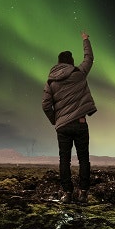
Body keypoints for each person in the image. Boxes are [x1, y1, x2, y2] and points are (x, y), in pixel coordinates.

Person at [42, 31, 97, 203]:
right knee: (84, 159)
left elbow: (45, 105)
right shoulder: (79, 73)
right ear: (71, 62)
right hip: (80, 124)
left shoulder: (51, 82)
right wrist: (86, 40)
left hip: (62, 127)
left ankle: (66, 193)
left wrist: (56, 120)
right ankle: (83, 193)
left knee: (64, 160)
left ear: (58, 63)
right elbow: (89, 58)